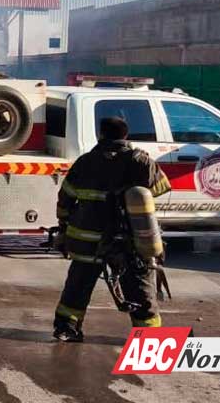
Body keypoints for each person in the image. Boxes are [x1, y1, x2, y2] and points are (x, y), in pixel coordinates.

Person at [52, 116, 172, 342]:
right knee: (139, 289)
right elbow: (160, 188)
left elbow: (65, 199)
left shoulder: (85, 162)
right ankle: (148, 337)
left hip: (87, 240)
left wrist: (63, 226)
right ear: (126, 135)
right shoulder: (141, 161)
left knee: (78, 285)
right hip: (127, 241)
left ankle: (66, 328)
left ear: (101, 135)